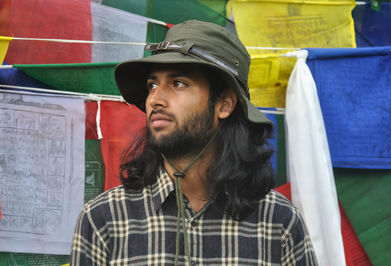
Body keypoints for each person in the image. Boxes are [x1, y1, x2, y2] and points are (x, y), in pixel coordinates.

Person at [71, 20, 317, 265]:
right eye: (152, 84)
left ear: (224, 105)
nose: (155, 99)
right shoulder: (104, 219)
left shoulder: (279, 222)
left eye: (178, 83)